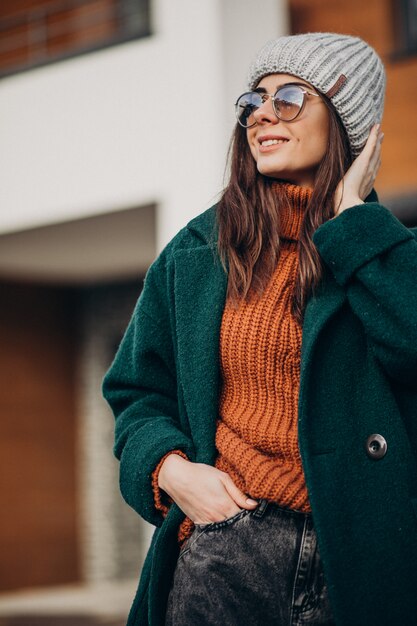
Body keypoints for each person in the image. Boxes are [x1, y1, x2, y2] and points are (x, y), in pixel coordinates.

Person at [102, 32, 417, 626]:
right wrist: (173, 472)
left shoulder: (390, 256)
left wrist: (354, 223)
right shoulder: (199, 254)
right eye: (253, 100)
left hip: (362, 557)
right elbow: (136, 394)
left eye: (291, 98)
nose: (262, 114)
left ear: (349, 123)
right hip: (229, 548)